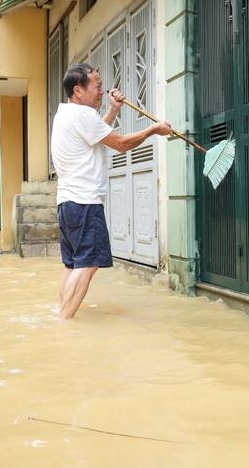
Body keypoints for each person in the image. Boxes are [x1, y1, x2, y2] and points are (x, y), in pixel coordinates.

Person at [51, 63, 172, 319]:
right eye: (97, 86)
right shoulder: (83, 116)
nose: (102, 91)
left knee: (72, 265)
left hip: (67, 204)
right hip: (84, 203)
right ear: (78, 90)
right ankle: (64, 321)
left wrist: (113, 109)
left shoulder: (66, 114)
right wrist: (153, 129)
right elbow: (119, 144)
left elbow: (97, 135)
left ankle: (61, 316)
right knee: (89, 263)